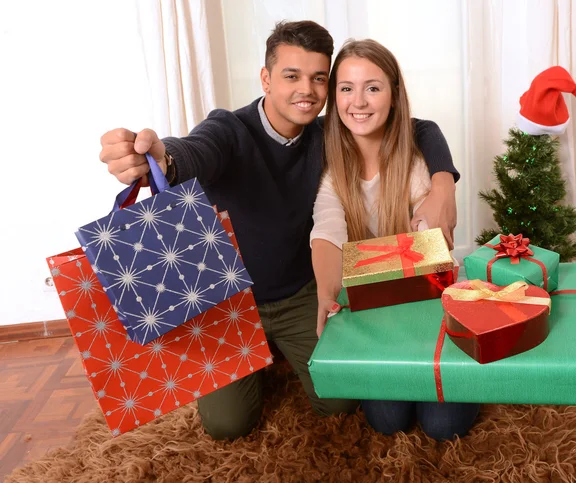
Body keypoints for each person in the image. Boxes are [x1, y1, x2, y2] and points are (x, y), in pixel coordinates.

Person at [99, 20, 459, 441]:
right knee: (226, 425)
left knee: (340, 402)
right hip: (226, 302)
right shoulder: (229, 131)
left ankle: (279, 349)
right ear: (266, 79)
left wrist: (443, 180)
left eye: (318, 79)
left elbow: (416, 128)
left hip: (297, 295)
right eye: (291, 76)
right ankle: (259, 358)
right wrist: (162, 159)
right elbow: (195, 151)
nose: (305, 90)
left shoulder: (328, 136)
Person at [310, 39, 479, 441]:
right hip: (373, 311)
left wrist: (442, 189)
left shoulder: (418, 160)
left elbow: (429, 246)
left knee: (443, 427)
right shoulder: (329, 163)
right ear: (334, 97)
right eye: (347, 88)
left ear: (393, 94)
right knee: (387, 421)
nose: (359, 101)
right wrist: (325, 290)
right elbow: (327, 229)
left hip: (423, 303)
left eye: (373, 87)